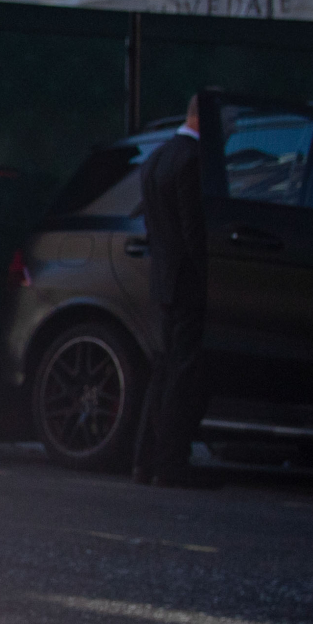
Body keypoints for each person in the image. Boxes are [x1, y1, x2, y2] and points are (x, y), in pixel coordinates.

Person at [133, 94, 214, 487]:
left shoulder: (157, 158)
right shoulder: (193, 161)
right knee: (181, 372)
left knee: (163, 370)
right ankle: (170, 462)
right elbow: (193, 231)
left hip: (163, 278)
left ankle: (145, 458)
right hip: (186, 280)